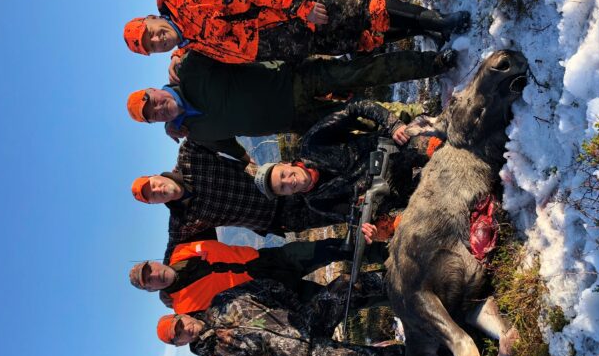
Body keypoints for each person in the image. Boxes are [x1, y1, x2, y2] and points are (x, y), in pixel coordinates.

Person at [123, 0, 470, 70]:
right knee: (363, 39)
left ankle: (438, 21)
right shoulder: (191, 45)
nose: (158, 41)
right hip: (293, 44)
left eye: (152, 34)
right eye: (152, 46)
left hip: (291, 11)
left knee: (365, 11)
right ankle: (424, 29)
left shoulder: (190, 3)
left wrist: (298, 5)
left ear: (154, 19)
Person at [125, 47, 458, 144]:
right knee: (360, 120)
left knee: (361, 71)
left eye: (152, 102)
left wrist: (177, 52)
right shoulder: (193, 133)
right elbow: (229, 153)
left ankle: (433, 63)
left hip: (292, 77)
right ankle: (418, 115)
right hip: (295, 119)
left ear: (155, 90)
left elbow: (206, 36)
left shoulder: (189, 71)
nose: (158, 109)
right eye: (152, 115)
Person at [130, 139, 360, 263]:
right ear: (154, 204)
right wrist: (168, 293)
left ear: (156, 175)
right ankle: (380, 212)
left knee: (342, 180)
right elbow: (173, 255)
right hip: (284, 218)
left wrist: (239, 154)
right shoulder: (183, 221)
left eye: (154, 185)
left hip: (283, 183)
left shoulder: (189, 157)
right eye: (153, 196)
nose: (159, 190)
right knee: (344, 210)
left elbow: (205, 128)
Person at [155, 278, 401, 356]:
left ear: (182, 315)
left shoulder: (221, 301)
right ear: (180, 344)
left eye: (179, 324)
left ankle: (403, 280)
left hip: (304, 321)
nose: (185, 329)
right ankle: (426, 355)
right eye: (179, 335)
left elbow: (266, 287)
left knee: (345, 285)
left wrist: (297, 309)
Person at [253, 100, 431, 237]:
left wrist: (392, 124)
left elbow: (354, 108)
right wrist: (365, 225)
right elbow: (351, 215)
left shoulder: (313, 143)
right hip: (392, 193)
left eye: (283, 175)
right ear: (286, 195)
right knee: (411, 224)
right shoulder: (316, 202)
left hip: (396, 149)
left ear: (285, 164)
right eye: (283, 187)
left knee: (433, 149)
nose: (289, 181)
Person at [128, 237, 363, 313]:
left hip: (270, 259)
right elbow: (199, 337)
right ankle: (389, 293)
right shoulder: (182, 308)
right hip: (269, 294)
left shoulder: (181, 249)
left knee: (334, 248)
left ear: (154, 262)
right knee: (340, 301)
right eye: (148, 281)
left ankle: (381, 248)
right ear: (151, 290)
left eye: (150, 270)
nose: (154, 275)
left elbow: (181, 208)